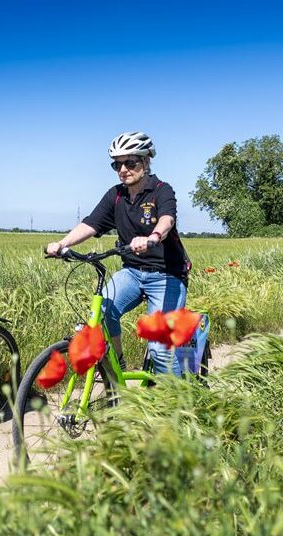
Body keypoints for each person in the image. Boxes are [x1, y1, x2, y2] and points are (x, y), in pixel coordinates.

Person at [45, 131, 192, 375]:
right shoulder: (116, 195)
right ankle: (118, 364)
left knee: (160, 350)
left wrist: (153, 237)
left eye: (130, 162)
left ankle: (176, 404)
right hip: (132, 273)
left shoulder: (161, 190)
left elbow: (167, 219)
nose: (123, 169)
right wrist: (62, 244)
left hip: (168, 275)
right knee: (101, 313)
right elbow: (91, 224)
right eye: (117, 164)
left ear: (145, 162)